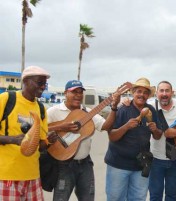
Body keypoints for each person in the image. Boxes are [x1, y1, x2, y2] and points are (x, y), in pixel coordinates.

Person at [46, 80, 121, 201]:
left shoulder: (88, 112)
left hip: (85, 164)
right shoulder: (53, 111)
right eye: (74, 92)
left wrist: (114, 107)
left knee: (88, 198)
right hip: (63, 164)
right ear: (65, 93)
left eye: (80, 92)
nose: (78, 95)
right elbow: (40, 129)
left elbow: (106, 126)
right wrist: (61, 127)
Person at [105, 77, 163, 201]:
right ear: (133, 93)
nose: (142, 95)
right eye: (139, 91)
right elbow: (112, 136)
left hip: (141, 165)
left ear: (148, 96)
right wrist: (126, 126)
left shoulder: (151, 110)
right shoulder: (123, 109)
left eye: (145, 92)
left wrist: (155, 130)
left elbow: (158, 136)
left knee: (138, 198)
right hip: (118, 165)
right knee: (115, 198)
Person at [0, 66, 52, 200]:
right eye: (40, 83)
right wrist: (13, 140)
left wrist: (48, 141)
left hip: (33, 176)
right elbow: (14, 140)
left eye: (45, 84)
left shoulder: (41, 108)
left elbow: (40, 145)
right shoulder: (6, 99)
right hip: (7, 177)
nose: (43, 87)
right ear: (26, 81)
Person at [148, 81, 176, 201]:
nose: (164, 94)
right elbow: (134, 107)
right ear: (157, 93)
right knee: (155, 196)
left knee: (172, 196)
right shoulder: (150, 107)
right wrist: (126, 102)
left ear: (172, 92)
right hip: (155, 159)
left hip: (175, 159)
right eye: (161, 91)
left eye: (167, 91)